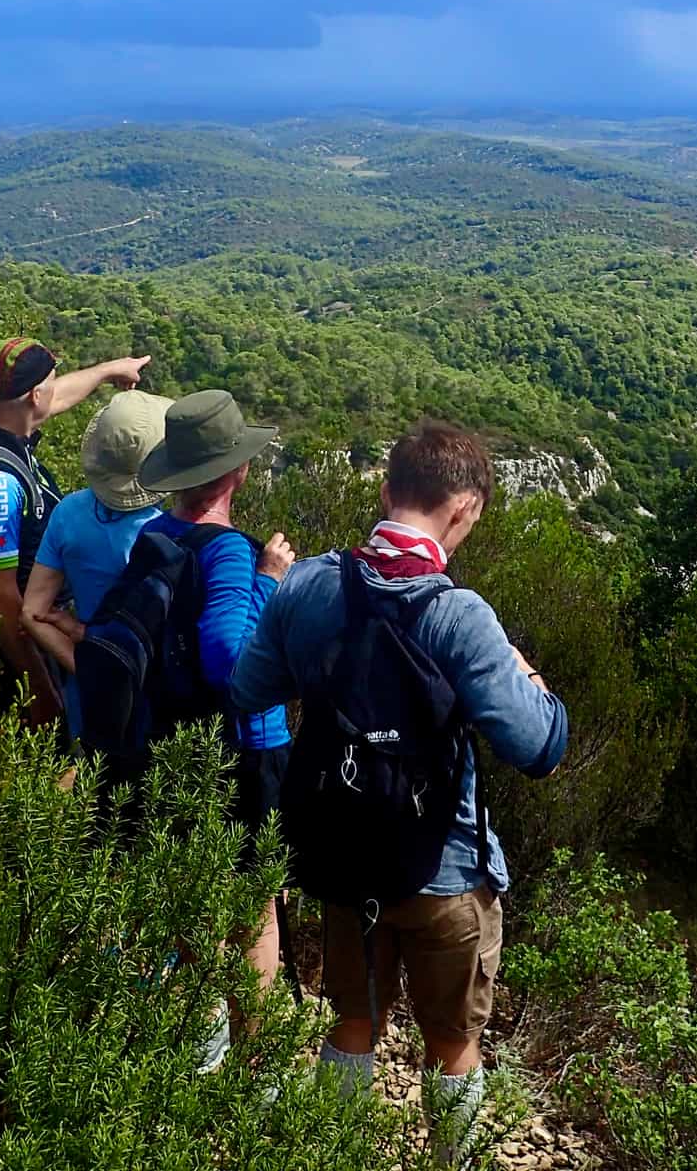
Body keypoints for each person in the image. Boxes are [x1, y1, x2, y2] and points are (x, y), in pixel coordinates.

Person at [232, 420, 567, 1168]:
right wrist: (530, 675)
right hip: (443, 871)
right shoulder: (460, 615)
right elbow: (540, 747)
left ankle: (336, 1156)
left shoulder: (313, 585)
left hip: (345, 862)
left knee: (353, 1020)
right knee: (453, 1042)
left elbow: (250, 687)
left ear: (386, 492)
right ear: (467, 509)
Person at [135, 389, 297, 995]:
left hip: (172, 739)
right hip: (240, 750)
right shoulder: (229, 550)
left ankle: (198, 1051)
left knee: (190, 897)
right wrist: (270, 581)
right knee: (253, 905)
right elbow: (230, 658)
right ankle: (244, 1062)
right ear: (238, 471)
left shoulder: (155, 533)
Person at [0, 336, 149, 727]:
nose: (57, 386)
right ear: (34, 396)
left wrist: (108, 370)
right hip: (16, 643)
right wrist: (39, 688)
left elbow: (58, 396)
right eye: (51, 380)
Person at [21, 389, 174, 739]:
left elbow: (32, 612)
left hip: (87, 683)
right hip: (151, 686)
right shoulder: (163, 532)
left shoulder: (69, 512)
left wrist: (89, 670)